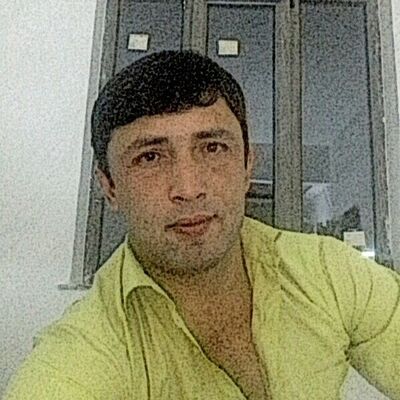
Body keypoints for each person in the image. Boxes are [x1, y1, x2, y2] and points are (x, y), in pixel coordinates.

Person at [5, 50, 400, 400]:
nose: (189, 188)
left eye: (212, 147)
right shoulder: (82, 353)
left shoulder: (329, 273)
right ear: (109, 186)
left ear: (247, 166)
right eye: (150, 157)